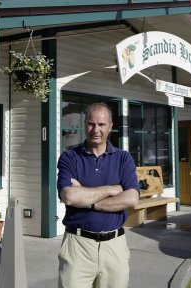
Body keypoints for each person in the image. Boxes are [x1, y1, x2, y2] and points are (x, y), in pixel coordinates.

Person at [57, 102, 140, 288]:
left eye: (101, 125)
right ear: (84, 124)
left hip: (115, 247)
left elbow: (131, 198)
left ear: (110, 127)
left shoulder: (123, 158)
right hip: (78, 245)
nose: (96, 129)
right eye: (91, 124)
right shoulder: (70, 157)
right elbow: (69, 197)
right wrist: (111, 190)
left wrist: (87, 200)